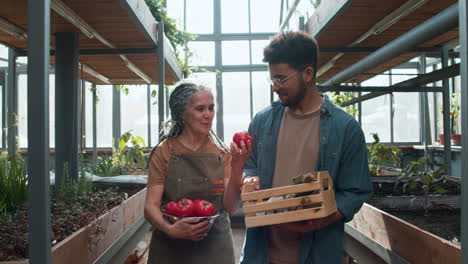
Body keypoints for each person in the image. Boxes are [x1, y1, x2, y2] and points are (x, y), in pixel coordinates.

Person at [239, 31, 373, 264]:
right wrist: (249, 178)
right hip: (262, 254)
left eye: (281, 79)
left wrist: (319, 220)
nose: (275, 87)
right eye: (272, 79)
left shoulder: (345, 128)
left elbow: (355, 191)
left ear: (308, 73)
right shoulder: (262, 121)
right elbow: (250, 166)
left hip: (317, 253)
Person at [144, 81, 251, 264]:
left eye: (211, 108)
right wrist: (171, 230)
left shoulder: (222, 153)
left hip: (214, 248)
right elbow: (150, 207)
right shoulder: (164, 151)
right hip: (170, 249)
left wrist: (238, 166)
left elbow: (231, 207)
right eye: (200, 109)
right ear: (182, 114)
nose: (208, 115)